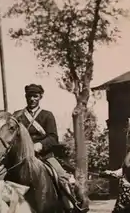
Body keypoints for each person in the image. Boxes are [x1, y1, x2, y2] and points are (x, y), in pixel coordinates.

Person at [13, 84, 88, 213]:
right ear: (26, 97)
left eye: (35, 96)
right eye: (29, 96)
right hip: (22, 159)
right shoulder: (18, 116)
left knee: (63, 178)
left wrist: (40, 145)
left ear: (40, 97)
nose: (32, 99)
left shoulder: (47, 115)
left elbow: (53, 138)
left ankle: (72, 204)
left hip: (44, 157)